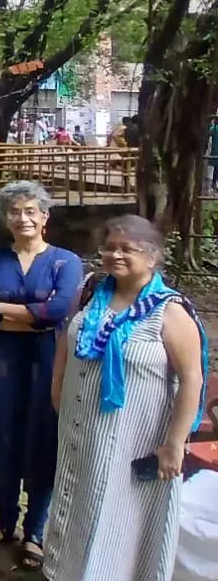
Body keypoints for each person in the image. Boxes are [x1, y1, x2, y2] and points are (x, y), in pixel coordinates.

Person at [44, 215, 209, 581]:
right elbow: (64, 346)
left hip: (136, 438)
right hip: (80, 429)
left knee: (120, 516)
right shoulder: (91, 292)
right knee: (77, 501)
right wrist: (58, 391)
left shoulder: (170, 310)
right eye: (109, 247)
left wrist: (174, 445)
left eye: (127, 249)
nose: (115, 255)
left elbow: (191, 379)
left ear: (152, 258)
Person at [0, 182, 82, 570]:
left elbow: (57, 311)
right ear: (5, 218)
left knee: (43, 440)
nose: (23, 218)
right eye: (15, 211)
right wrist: (30, 316)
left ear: (45, 217)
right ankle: (4, 521)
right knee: (3, 437)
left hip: (49, 363)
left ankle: (35, 531)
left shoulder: (66, 261)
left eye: (31, 210)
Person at [207, 117, 218, 191]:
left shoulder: (214, 128)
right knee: (216, 169)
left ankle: (215, 183)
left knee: (216, 168)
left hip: (215, 151)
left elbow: (208, 132)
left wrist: (211, 124)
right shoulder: (215, 128)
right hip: (216, 151)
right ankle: (215, 183)